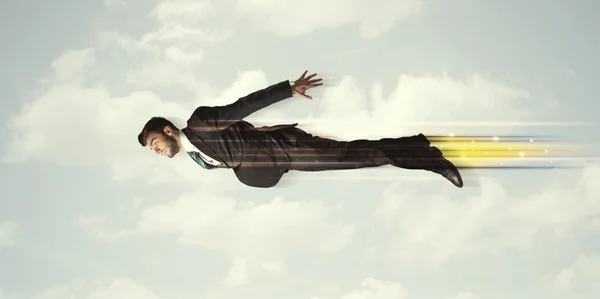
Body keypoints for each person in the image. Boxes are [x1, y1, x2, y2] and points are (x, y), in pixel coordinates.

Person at [137, 70, 463, 188]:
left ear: (167, 130)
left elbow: (240, 108)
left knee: (355, 155)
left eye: (154, 142)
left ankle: (426, 155)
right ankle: (418, 146)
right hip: (284, 159)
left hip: (285, 146)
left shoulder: (199, 125)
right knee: (354, 155)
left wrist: (287, 89)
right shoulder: (198, 159)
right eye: (151, 150)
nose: (155, 150)